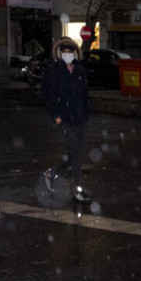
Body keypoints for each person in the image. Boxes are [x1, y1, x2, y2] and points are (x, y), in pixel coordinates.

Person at [41, 37, 91, 203]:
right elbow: (47, 95)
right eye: (65, 53)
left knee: (74, 154)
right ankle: (78, 189)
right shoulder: (54, 71)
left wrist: (85, 113)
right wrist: (56, 116)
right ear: (60, 54)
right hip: (63, 118)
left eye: (70, 53)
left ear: (76, 54)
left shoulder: (80, 71)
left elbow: (84, 94)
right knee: (75, 152)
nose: (68, 55)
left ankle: (52, 173)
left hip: (79, 118)